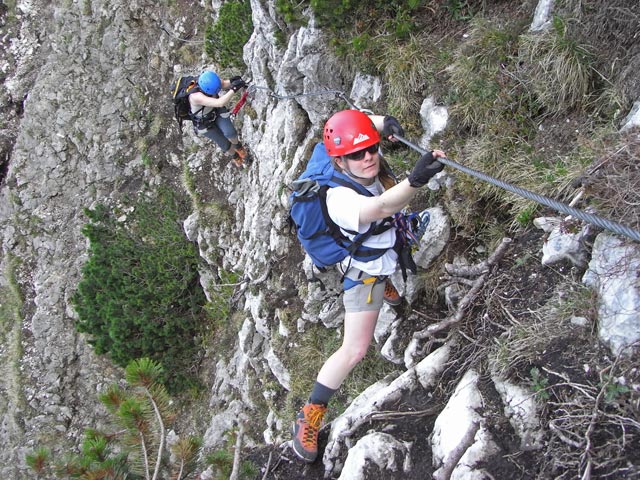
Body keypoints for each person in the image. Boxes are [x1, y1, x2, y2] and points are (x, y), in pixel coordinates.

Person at [292, 109, 447, 463]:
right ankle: (310, 414)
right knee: (354, 350)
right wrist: (415, 181)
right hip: (366, 271)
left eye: (372, 149)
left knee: (387, 263)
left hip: (384, 249)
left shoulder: (345, 150)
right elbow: (379, 207)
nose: (368, 158)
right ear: (339, 159)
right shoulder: (339, 199)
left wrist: (386, 122)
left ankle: (390, 292)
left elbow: (362, 122)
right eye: (357, 155)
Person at [189, 70, 248, 168]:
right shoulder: (195, 96)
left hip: (215, 111)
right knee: (224, 144)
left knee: (230, 132)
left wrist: (234, 81)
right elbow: (220, 102)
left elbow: (224, 84)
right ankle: (235, 156)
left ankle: (238, 146)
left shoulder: (211, 82)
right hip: (204, 123)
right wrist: (234, 88)